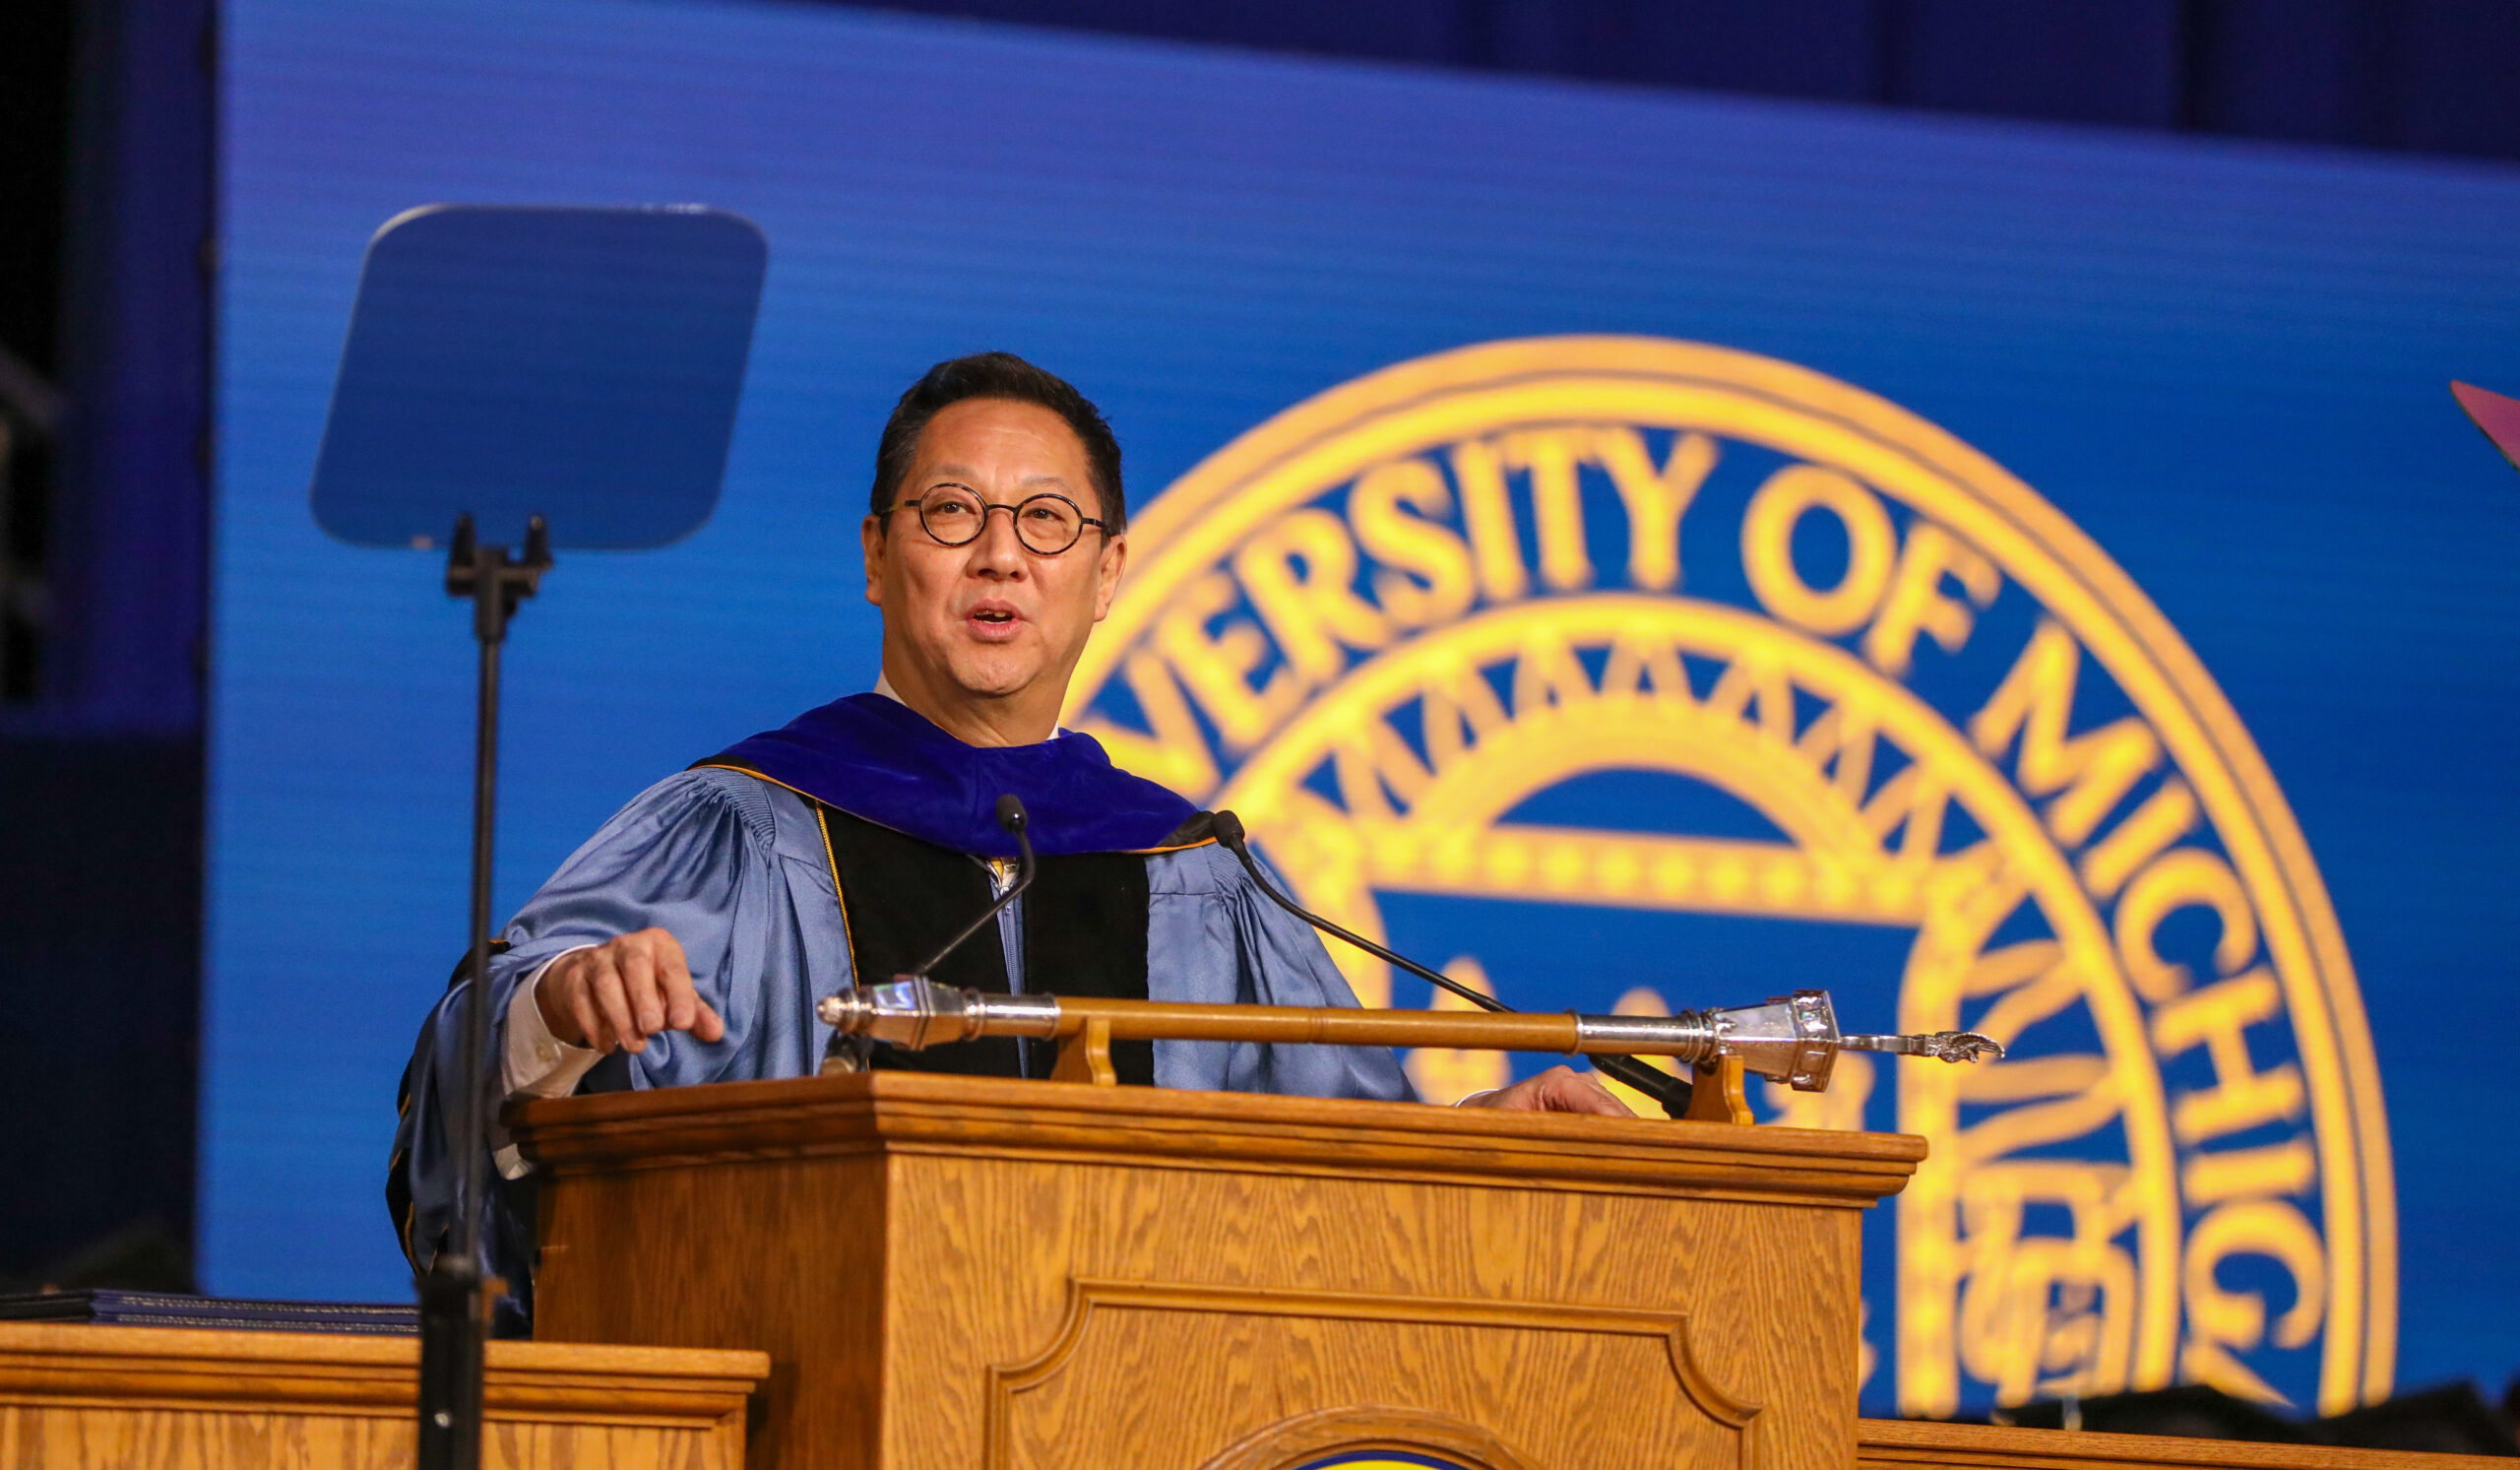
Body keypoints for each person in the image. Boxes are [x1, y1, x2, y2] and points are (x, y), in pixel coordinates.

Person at [389, 352, 1629, 1330]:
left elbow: (1330, 1172)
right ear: (877, 557)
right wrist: (555, 1003)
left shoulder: (1194, 870)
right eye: (950, 513)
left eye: (1047, 521)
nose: (1000, 556)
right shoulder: (740, 823)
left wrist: (1485, 1126)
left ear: (1108, 573)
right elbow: (458, 1072)